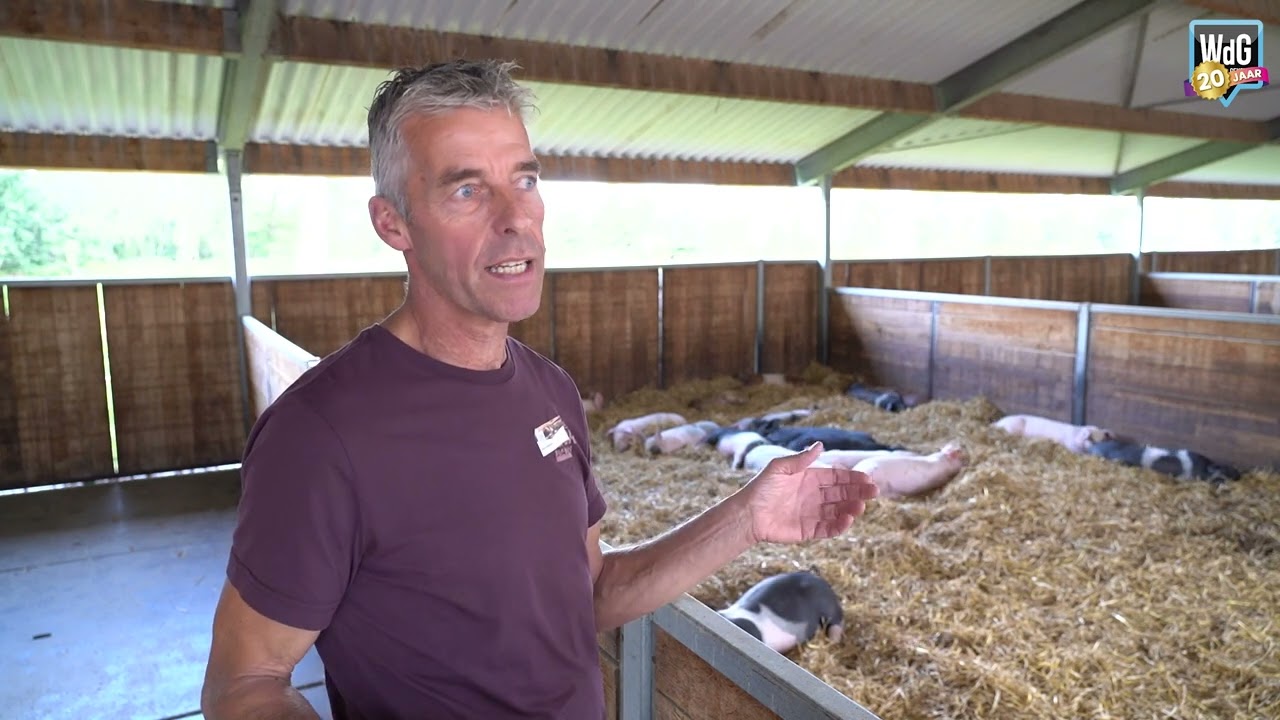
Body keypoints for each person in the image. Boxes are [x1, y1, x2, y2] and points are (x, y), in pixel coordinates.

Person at [200, 59, 879, 720]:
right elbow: (245, 684)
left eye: (524, 180)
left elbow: (590, 594)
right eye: (466, 190)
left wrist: (748, 517)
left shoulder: (551, 392)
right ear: (393, 223)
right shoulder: (323, 431)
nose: (513, 217)